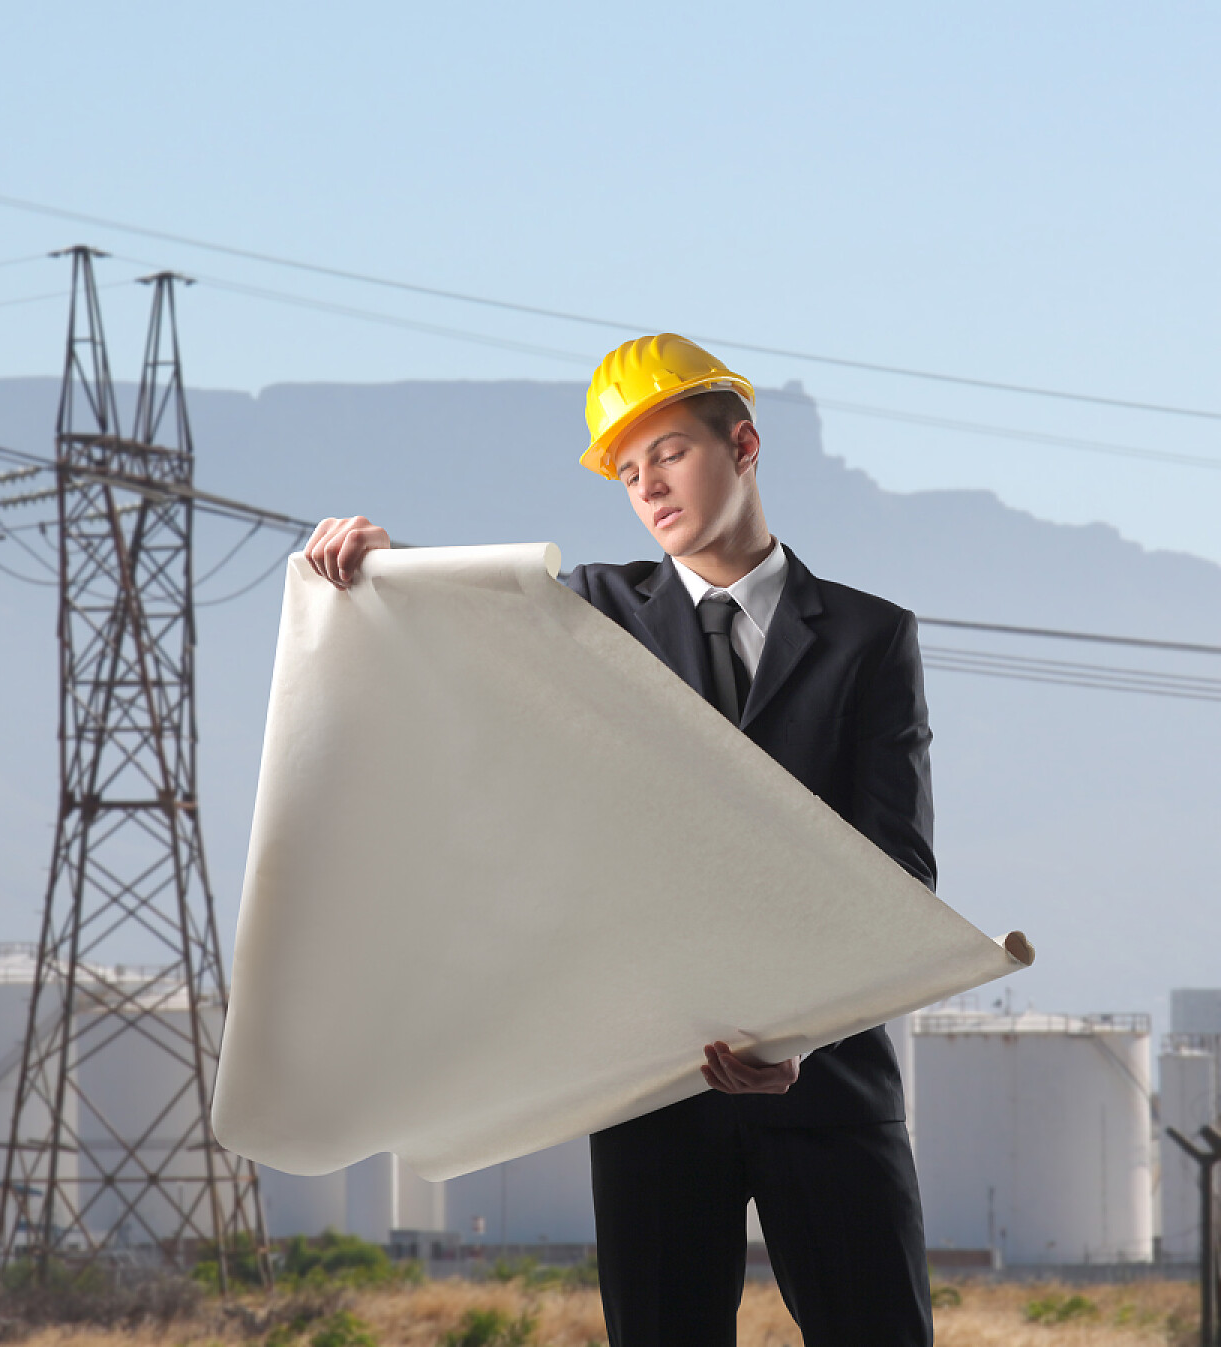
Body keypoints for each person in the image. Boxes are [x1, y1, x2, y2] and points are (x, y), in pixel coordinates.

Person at [302, 333, 934, 1346]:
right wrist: (377, 559)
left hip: (830, 1090)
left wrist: (801, 1040)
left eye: (670, 452)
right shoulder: (595, 614)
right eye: (628, 472)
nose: (649, 486)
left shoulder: (869, 638)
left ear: (745, 444)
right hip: (651, 1094)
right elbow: (472, 627)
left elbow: (896, 872)